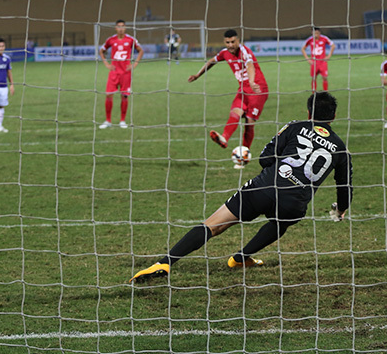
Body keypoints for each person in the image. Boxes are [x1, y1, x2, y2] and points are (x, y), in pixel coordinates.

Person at [129, 91, 353, 283]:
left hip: (262, 188)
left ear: (308, 113)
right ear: (333, 116)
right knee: (281, 223)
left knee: (214, 225)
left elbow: (265, 159)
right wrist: (340, 209)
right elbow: (344, 186)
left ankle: (166, 263)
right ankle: (241, 257)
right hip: (294, 203)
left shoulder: (295, 127)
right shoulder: (341, 148)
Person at [188, 29, 268, 155]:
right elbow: (211, 61)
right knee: (235, 112)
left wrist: (252, 82)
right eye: (227, 42)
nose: (230, 45)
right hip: (243, 89)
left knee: (249, 122)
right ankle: (224, 138)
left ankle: (244, 154)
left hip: (257, 89)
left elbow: (250, 66)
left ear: (238, 40)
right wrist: (198, 75)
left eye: (232, 42)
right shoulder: (225, 53)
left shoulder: (244, 52)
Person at [98, 20, 144, 129]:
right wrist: (106, 63)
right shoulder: (111, 40)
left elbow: (140, 50)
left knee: (124, 96)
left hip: (126, 73)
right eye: (119, 26)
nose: (121, 28)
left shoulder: (130, 39)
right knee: (109, 95)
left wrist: (134, 64)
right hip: (114, 72)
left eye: (123, 26)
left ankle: (122, 120)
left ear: (125, 28)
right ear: (115, 28)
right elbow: (101, 51)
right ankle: (108, 120)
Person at [301, 27, 335, 91]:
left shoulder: (324, 38)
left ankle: (325, 93)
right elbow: (303, 49)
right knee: (314, 78)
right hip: (314, 62)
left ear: (319, 33)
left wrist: (329, 56)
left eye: (317, 33)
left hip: (322, 62)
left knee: (325, 77)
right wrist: (308, 59)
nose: (315, 34)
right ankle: (314, 94)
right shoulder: (310, 40)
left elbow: (333, 45)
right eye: (314, 33)